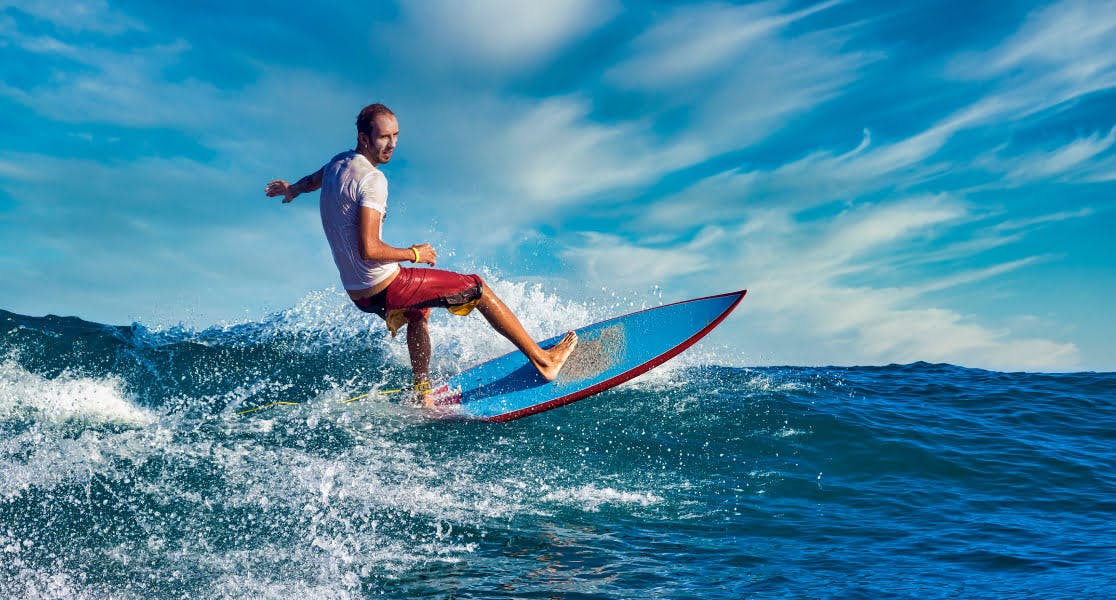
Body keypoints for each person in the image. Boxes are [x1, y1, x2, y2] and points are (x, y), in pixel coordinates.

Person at [265, 103, 578, 406]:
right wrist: (415, 253)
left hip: (359, 294)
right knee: (477, 289)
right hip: (385, 285)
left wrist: (292, 189)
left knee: (419, 313)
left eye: (396, 136)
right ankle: (544, 359)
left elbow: (312, 181)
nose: (392, 144)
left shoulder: (337, 164)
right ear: (364, 138)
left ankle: (423, 393)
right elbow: (370, 249)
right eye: (384, 137)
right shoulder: (373, 180)